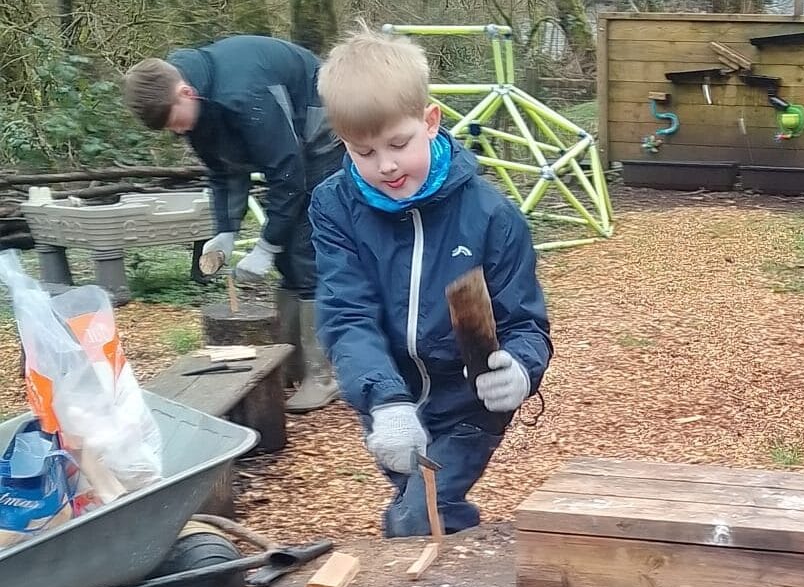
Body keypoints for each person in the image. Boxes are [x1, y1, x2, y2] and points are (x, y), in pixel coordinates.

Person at [308, 27, 550, 539]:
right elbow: (347, 314)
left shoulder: (492, 217)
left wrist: (522, 371)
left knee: (415, 518)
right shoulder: (335, 208)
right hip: (387, 398)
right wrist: (384, 400)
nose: (386, 165)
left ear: (430, 121)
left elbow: (525, 322)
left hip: (468, 402)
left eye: (399, 143)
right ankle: (457, 575)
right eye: (363, 151)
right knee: (420, 508)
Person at [122, 36, 344, 411]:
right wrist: (225, 230)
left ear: (186, 92)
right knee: (290, 260)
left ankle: (323, 376)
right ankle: (289, 362)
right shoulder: (193, 103)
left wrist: (267, 245)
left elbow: (287, 173)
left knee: (304, 252)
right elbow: (223, 171)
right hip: (285, 143)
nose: (178, 132)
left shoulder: (242, 95)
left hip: (321, 126)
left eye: (176, 122)